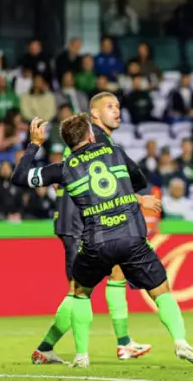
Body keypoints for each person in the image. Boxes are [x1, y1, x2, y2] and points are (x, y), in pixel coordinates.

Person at [12, 114, 193, 369]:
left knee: (80, 293)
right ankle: (180, 341)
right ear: (90, 135)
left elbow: (19, 177)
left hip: (96, 242)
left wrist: (34, 143)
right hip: (131, 236)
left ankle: (81, 356)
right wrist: (127, 195)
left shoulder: (63, 168)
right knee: (161, 291)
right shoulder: (114, 152)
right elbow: (139, 180)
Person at [28, 92, 153, 364]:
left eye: (118, 106)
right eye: (110, 106)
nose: (117, 111)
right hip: (79, 222)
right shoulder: (94, 140)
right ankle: (52, 348)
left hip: (85, 221)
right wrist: (136, 199)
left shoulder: (93, 138)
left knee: (116, 272)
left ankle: (123, 342)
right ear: (94, 114)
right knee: (79, 291)